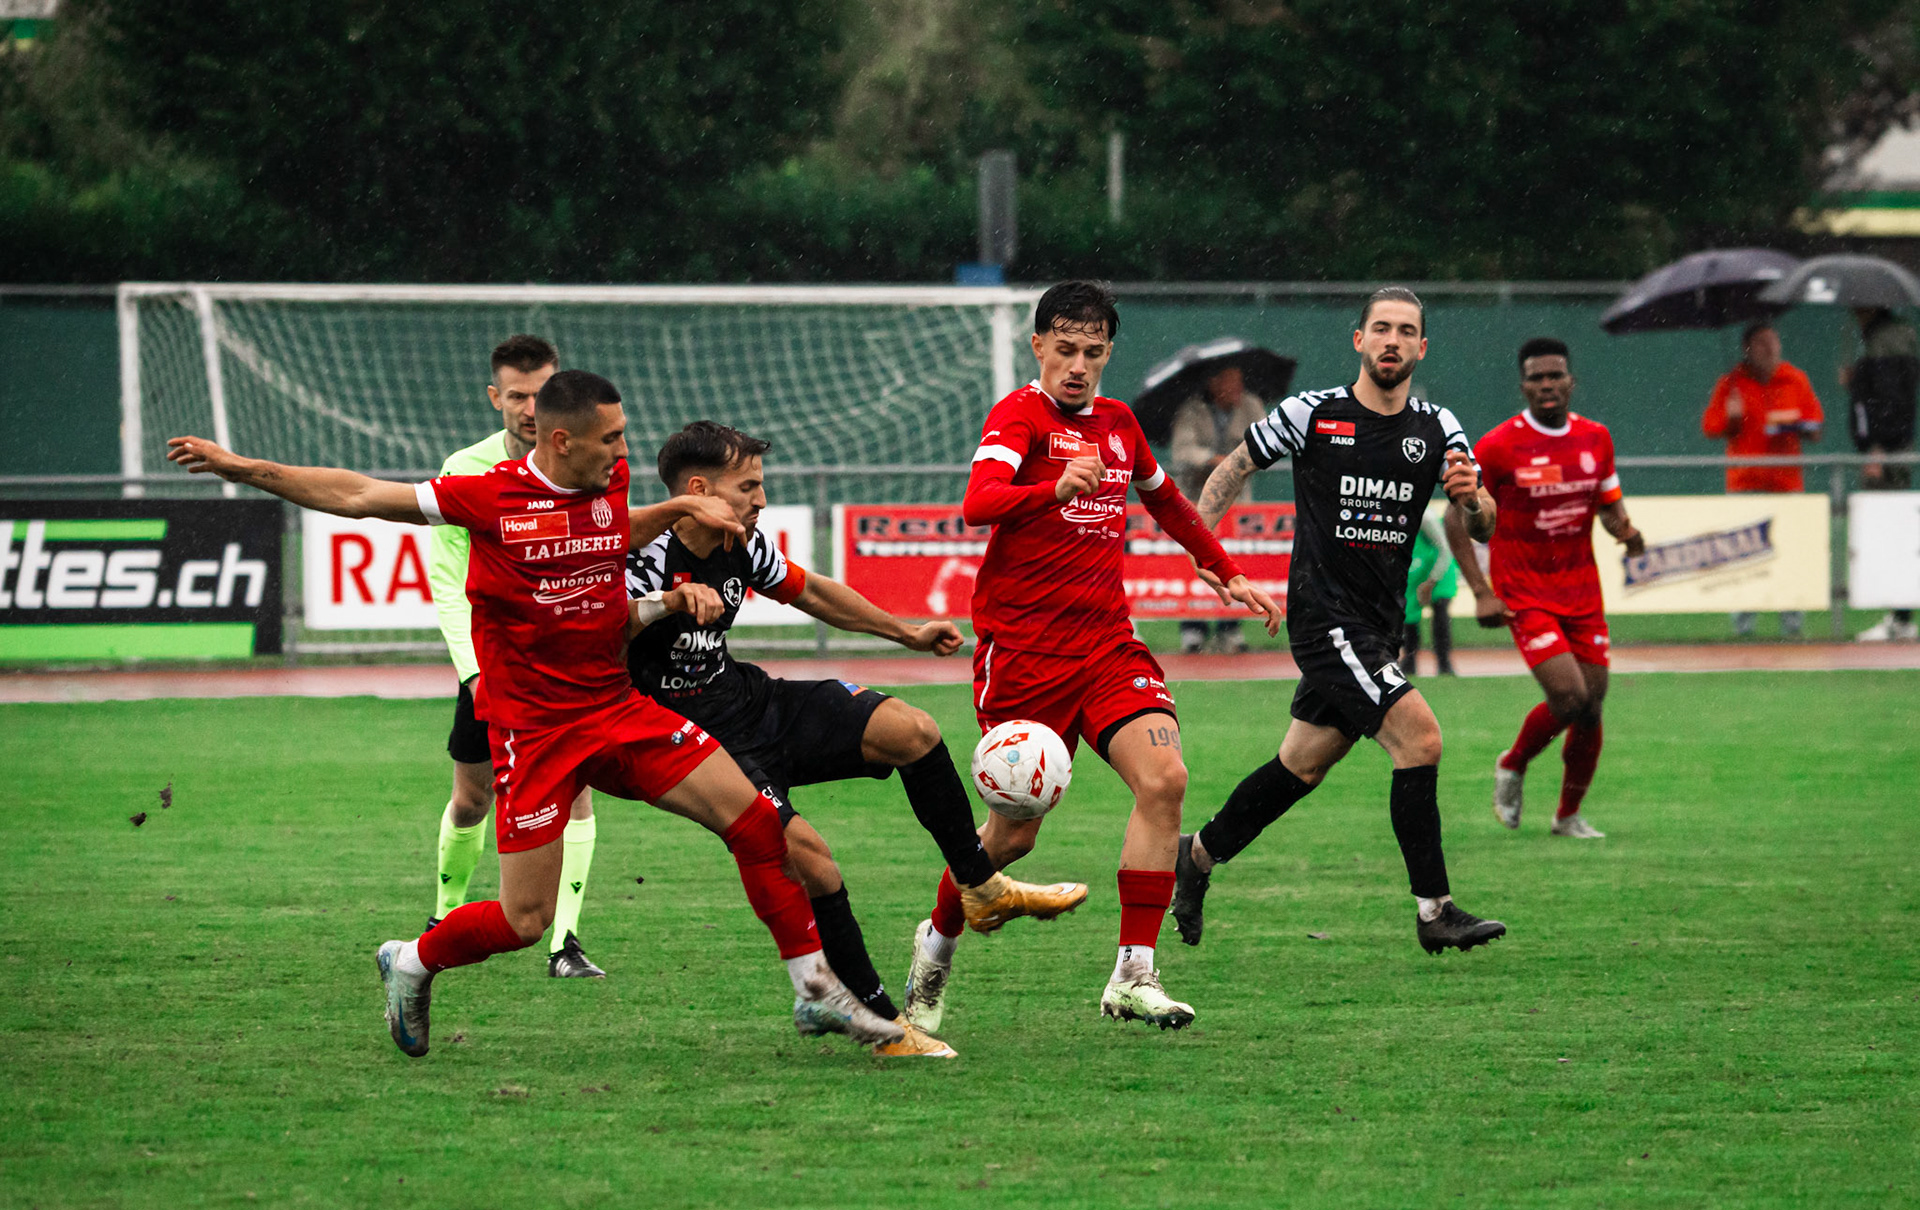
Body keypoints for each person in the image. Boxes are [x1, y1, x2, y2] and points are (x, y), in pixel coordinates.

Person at [168, 371, 909, 1058]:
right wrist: (241, 469)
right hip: (535, 733)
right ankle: (412, 960)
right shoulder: (485, 496)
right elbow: (359, 494)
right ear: (563, 441)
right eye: (612, 438)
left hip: (618, 708)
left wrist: (678, 517)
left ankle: (813, 989)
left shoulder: (609, 483)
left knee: (753, 821)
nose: (625, 450)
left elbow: (610, 534)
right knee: (525, 921)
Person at [627, 421, 1093, 1059]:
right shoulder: (637, 558)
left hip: (752, 701)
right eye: (749, 486)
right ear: (700, 491)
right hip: (693, 738)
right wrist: (668, 603)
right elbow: (596, 639)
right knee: (812, 860)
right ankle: (885, 1027)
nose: (760, 499)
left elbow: (812, 591)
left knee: (913, 730)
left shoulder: (742, 541)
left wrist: (906, 633)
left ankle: (979, 887)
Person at [901, 280, 1282, 1034]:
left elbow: (1165, 497)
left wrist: (1224, 566)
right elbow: (978, 503)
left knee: (1165, 778)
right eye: (1065, 348)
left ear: (1109, 351)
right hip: (1024, 655)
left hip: (1108, 646)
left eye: (1094, 351)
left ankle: (1133, 974)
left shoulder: (1119, 423)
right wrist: (1049, 487)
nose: (1078, 365)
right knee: (1012, 835)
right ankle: (935, 948)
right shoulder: (1020, 416)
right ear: (1038, 345)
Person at [1171, 286, 1508, 954]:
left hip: (1379, 627)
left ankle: (1197, 857)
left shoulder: (1439, 427)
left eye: (1405, 331)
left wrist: (1474, 503)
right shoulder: (1311, 413)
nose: (1391, 340)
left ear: (1421, 347)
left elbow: (1483, 518)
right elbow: (1234, 465)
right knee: (1421, 740)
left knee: (1300, 764)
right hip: (1325, 619)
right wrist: (1203, 547)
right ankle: (1433, 910)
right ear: (1358, 340)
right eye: (1380, 328)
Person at [424, 335, 605, 978]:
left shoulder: (587, 466)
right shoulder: (466, 470)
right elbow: (449, 581)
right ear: (496, 398)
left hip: (564, 669)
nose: (532, 408)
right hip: (492, 664)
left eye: (543, 393)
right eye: (519, 395)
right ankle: (445, 915)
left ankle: (565, 943)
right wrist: (474, 672)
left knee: (575, 795)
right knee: (472, 800)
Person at [1446, 337, 1645, 839]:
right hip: (1523, 591)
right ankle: (1513, 762)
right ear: (1524, 386)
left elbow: (1607, 503)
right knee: (1570, 695)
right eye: (1536, 377)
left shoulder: (1596, 438)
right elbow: (1455, 516)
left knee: (1592, 706)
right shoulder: (1498, 445)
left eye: (1555, 375)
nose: (1547, 385)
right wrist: (1480, 589)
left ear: (1570, 381)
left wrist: (1628, 532)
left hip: (1582, 591)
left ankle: (1567, 817)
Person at [1701, 322, 1823, 637]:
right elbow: (1711, 427)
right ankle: (1743, 628)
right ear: (1747, 349)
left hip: (1786, 483)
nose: (1769, 348)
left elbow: (1816, 428)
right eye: (1761, 343)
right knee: (1744, 558)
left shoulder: (1794, 379)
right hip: (1746, 484)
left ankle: (1792, 627)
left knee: (1790, 555)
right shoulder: (1731, 383)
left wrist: (1798, 426)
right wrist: (1730, 415)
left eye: (1773, 341)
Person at [1169, 363, 1267, 654]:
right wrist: (1212, 459)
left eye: (1240, 381)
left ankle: (1231, 627)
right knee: (1195, 561)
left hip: (1236, 502)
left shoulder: (1251, 404)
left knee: (1234, 560)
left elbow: (1265, 443)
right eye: (1230, 382)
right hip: (1196, 500)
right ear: (1213, 383)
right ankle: (1193, 629)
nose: (1237, 389)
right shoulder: (1191, 409)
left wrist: (1235, 460)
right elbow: (1182, 451)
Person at [1845, 306, 1920, 642]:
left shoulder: (1885, 342)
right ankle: (1899, 616)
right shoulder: (1887, 339)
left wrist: (1877, 446)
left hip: (1887, 453)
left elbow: (1890, 400)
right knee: (1893, 531)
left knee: (1891, 534)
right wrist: (1858, 379)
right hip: (1892, 449)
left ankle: (1900, 618)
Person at [1401, 504, 1457, 676]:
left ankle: (1444, 665)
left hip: (1440, 569)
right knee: (1408, 618)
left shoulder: (1426, 516)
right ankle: (1409, 663)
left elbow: (1444, 549)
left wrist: (1432, 581)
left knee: (1440, 615)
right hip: (1416, 571)